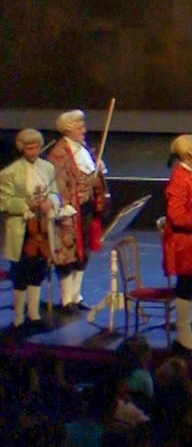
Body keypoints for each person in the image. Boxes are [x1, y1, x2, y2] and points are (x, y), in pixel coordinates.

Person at [46, 109, 107, 312]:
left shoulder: (83, 149)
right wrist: (64, 207)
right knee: (67, 254)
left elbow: (90, 175)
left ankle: (76, 295)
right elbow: (58, 182)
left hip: (87, 208)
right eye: (79, 126)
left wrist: (99, 172)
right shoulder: (59, 153)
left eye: (83, 125)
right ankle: (66, 299)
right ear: (68, 129)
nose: (84, 130)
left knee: (83, 253)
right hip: (70, 211)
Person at [1, 129, 61, 332]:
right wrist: (27, 203)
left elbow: (55, 194)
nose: (33, 150)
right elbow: (4, 201)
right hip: (22, 229)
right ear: (22, 148)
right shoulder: (9, 173)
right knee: (20, 273)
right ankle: (18, 317)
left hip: (42, 228)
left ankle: (34, 314)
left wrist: (49, 203)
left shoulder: (48, 168)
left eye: (36, 146)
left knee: (38, 271)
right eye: (29, 147)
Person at [162, 134, 192, 356]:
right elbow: (177, 216)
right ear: (190, 154)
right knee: (186, 287)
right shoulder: (179, 180)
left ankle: (187, 332)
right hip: (184, 244)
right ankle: (182, 334)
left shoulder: (191, 175)